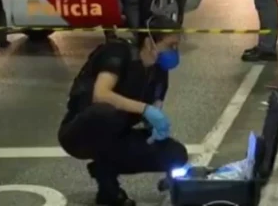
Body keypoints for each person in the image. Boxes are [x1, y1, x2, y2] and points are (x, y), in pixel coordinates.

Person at [57, 14, 188, 206]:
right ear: (150, 42)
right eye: (170, 45)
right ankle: (108, 186)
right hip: (81, 132)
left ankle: (106, 171)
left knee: (176, 153)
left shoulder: (159, 73)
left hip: (118, 134)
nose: (175, 52)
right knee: (107, 114)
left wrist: (155, 129)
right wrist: (145, 109)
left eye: (177, 46)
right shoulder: (118, 53)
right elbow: (100, 94)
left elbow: (154, 109)